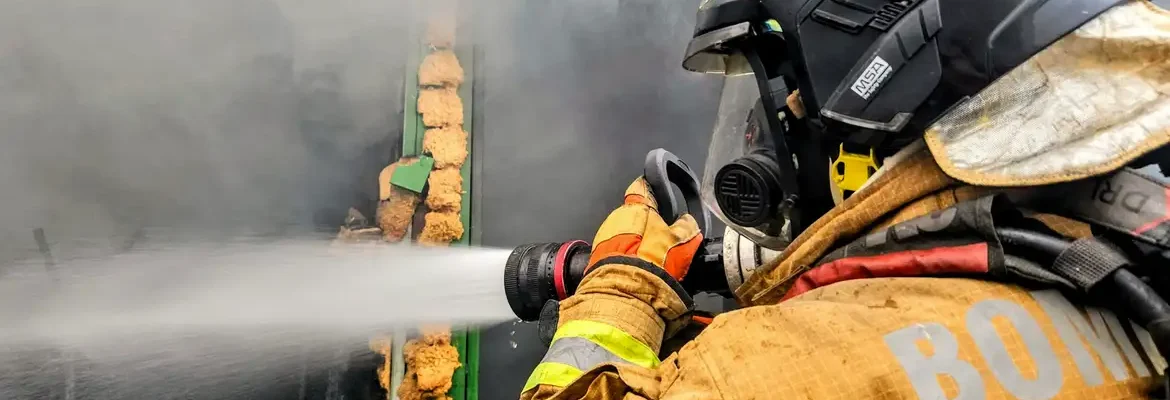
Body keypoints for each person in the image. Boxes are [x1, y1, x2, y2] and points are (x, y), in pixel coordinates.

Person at [522, 0, 1170, 398]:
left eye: (794, 103)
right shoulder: (1116, 242)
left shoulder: (760, 375)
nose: (770, 134)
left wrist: (622, 289)